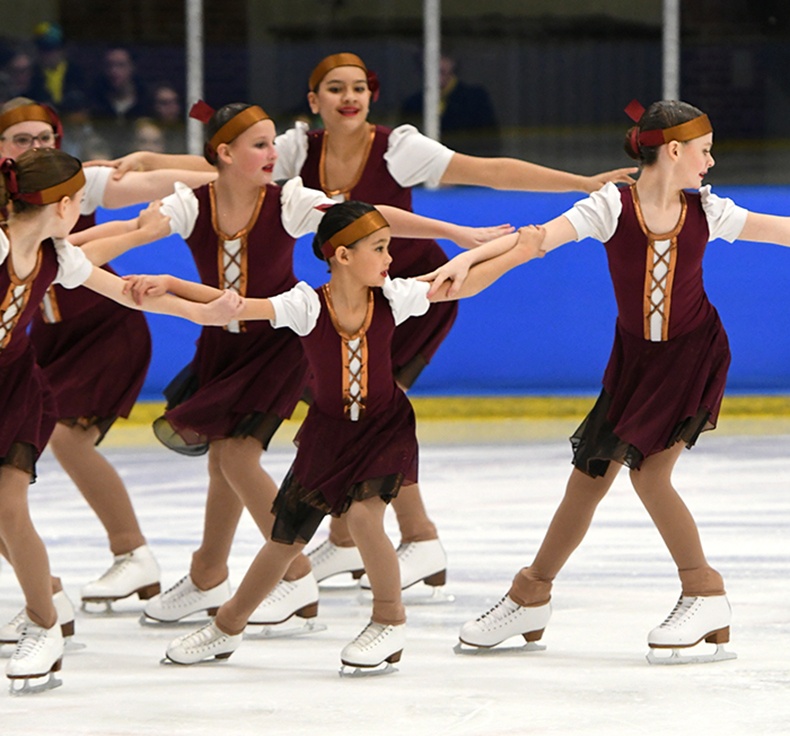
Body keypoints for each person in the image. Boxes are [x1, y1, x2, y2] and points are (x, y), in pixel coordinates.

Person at [425, 99, 790, 663]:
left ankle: (704, 589)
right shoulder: (610, 207)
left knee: (649, 475)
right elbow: (533, 239)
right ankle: (531, 594)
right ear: (674, 150)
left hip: (691, 355)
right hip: (635, 362)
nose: (710, 162)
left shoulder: (707, 212)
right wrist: (465, 267)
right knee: (589, 475)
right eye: (705, 150)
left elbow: (781, 231)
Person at [130, 101, 509, 631]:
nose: (272, 153)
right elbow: (216, 287)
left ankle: (302, 577)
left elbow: (374, 220)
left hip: (276, 345)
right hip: (231, 343)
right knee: (225, 461)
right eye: (259, 145)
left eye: (271, 142)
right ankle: (211, 571)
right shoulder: (217, 197)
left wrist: (465, 236)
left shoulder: (300, 205)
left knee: (239, 458)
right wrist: (66, 256)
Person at [120, 200, 545, 671]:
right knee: (285, 538)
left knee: (364, 518)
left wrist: (520, 252)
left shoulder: (394, 296)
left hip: (384, 428)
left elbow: (458, 283)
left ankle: (388, 621)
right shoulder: (305, 305)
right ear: (343, 255)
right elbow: (233, 306)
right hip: (328, 435)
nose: (390, 258)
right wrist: (172, 285)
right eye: (380, 248)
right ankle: (226, 626)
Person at [272, 52, 638, 595]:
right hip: (352, 301)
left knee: (362, 413)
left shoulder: (398, 148)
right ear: (313, 101)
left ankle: (404, 540)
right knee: (349, 412)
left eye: (359, 87)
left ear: (372, 97)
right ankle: (374, 539)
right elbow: (224, 170)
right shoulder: (296, 150)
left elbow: (488, 170)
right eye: (334, 88)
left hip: (414, 293)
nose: (348, 97)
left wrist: (581, 182)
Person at [0, 146, 240, 692]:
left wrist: (203, 312)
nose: (83, 210)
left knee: (8, 506)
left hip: (14, 388)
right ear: (64, 205)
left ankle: (44, 625)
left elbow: (130, 295)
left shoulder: (55, 257)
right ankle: (48, 602)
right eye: (80, 201)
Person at [401, 52, 499, 155]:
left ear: (453, 62)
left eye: (443, 58)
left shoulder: (475, 98)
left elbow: (490, 144)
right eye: (429, 59)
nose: (437, 65)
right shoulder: (413, 104)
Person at [88, 47, 151, 156]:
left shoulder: (146, 100)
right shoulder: (95, 102)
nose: (114, 71)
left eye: (121, 65)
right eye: (110, 65)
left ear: (132, 67)